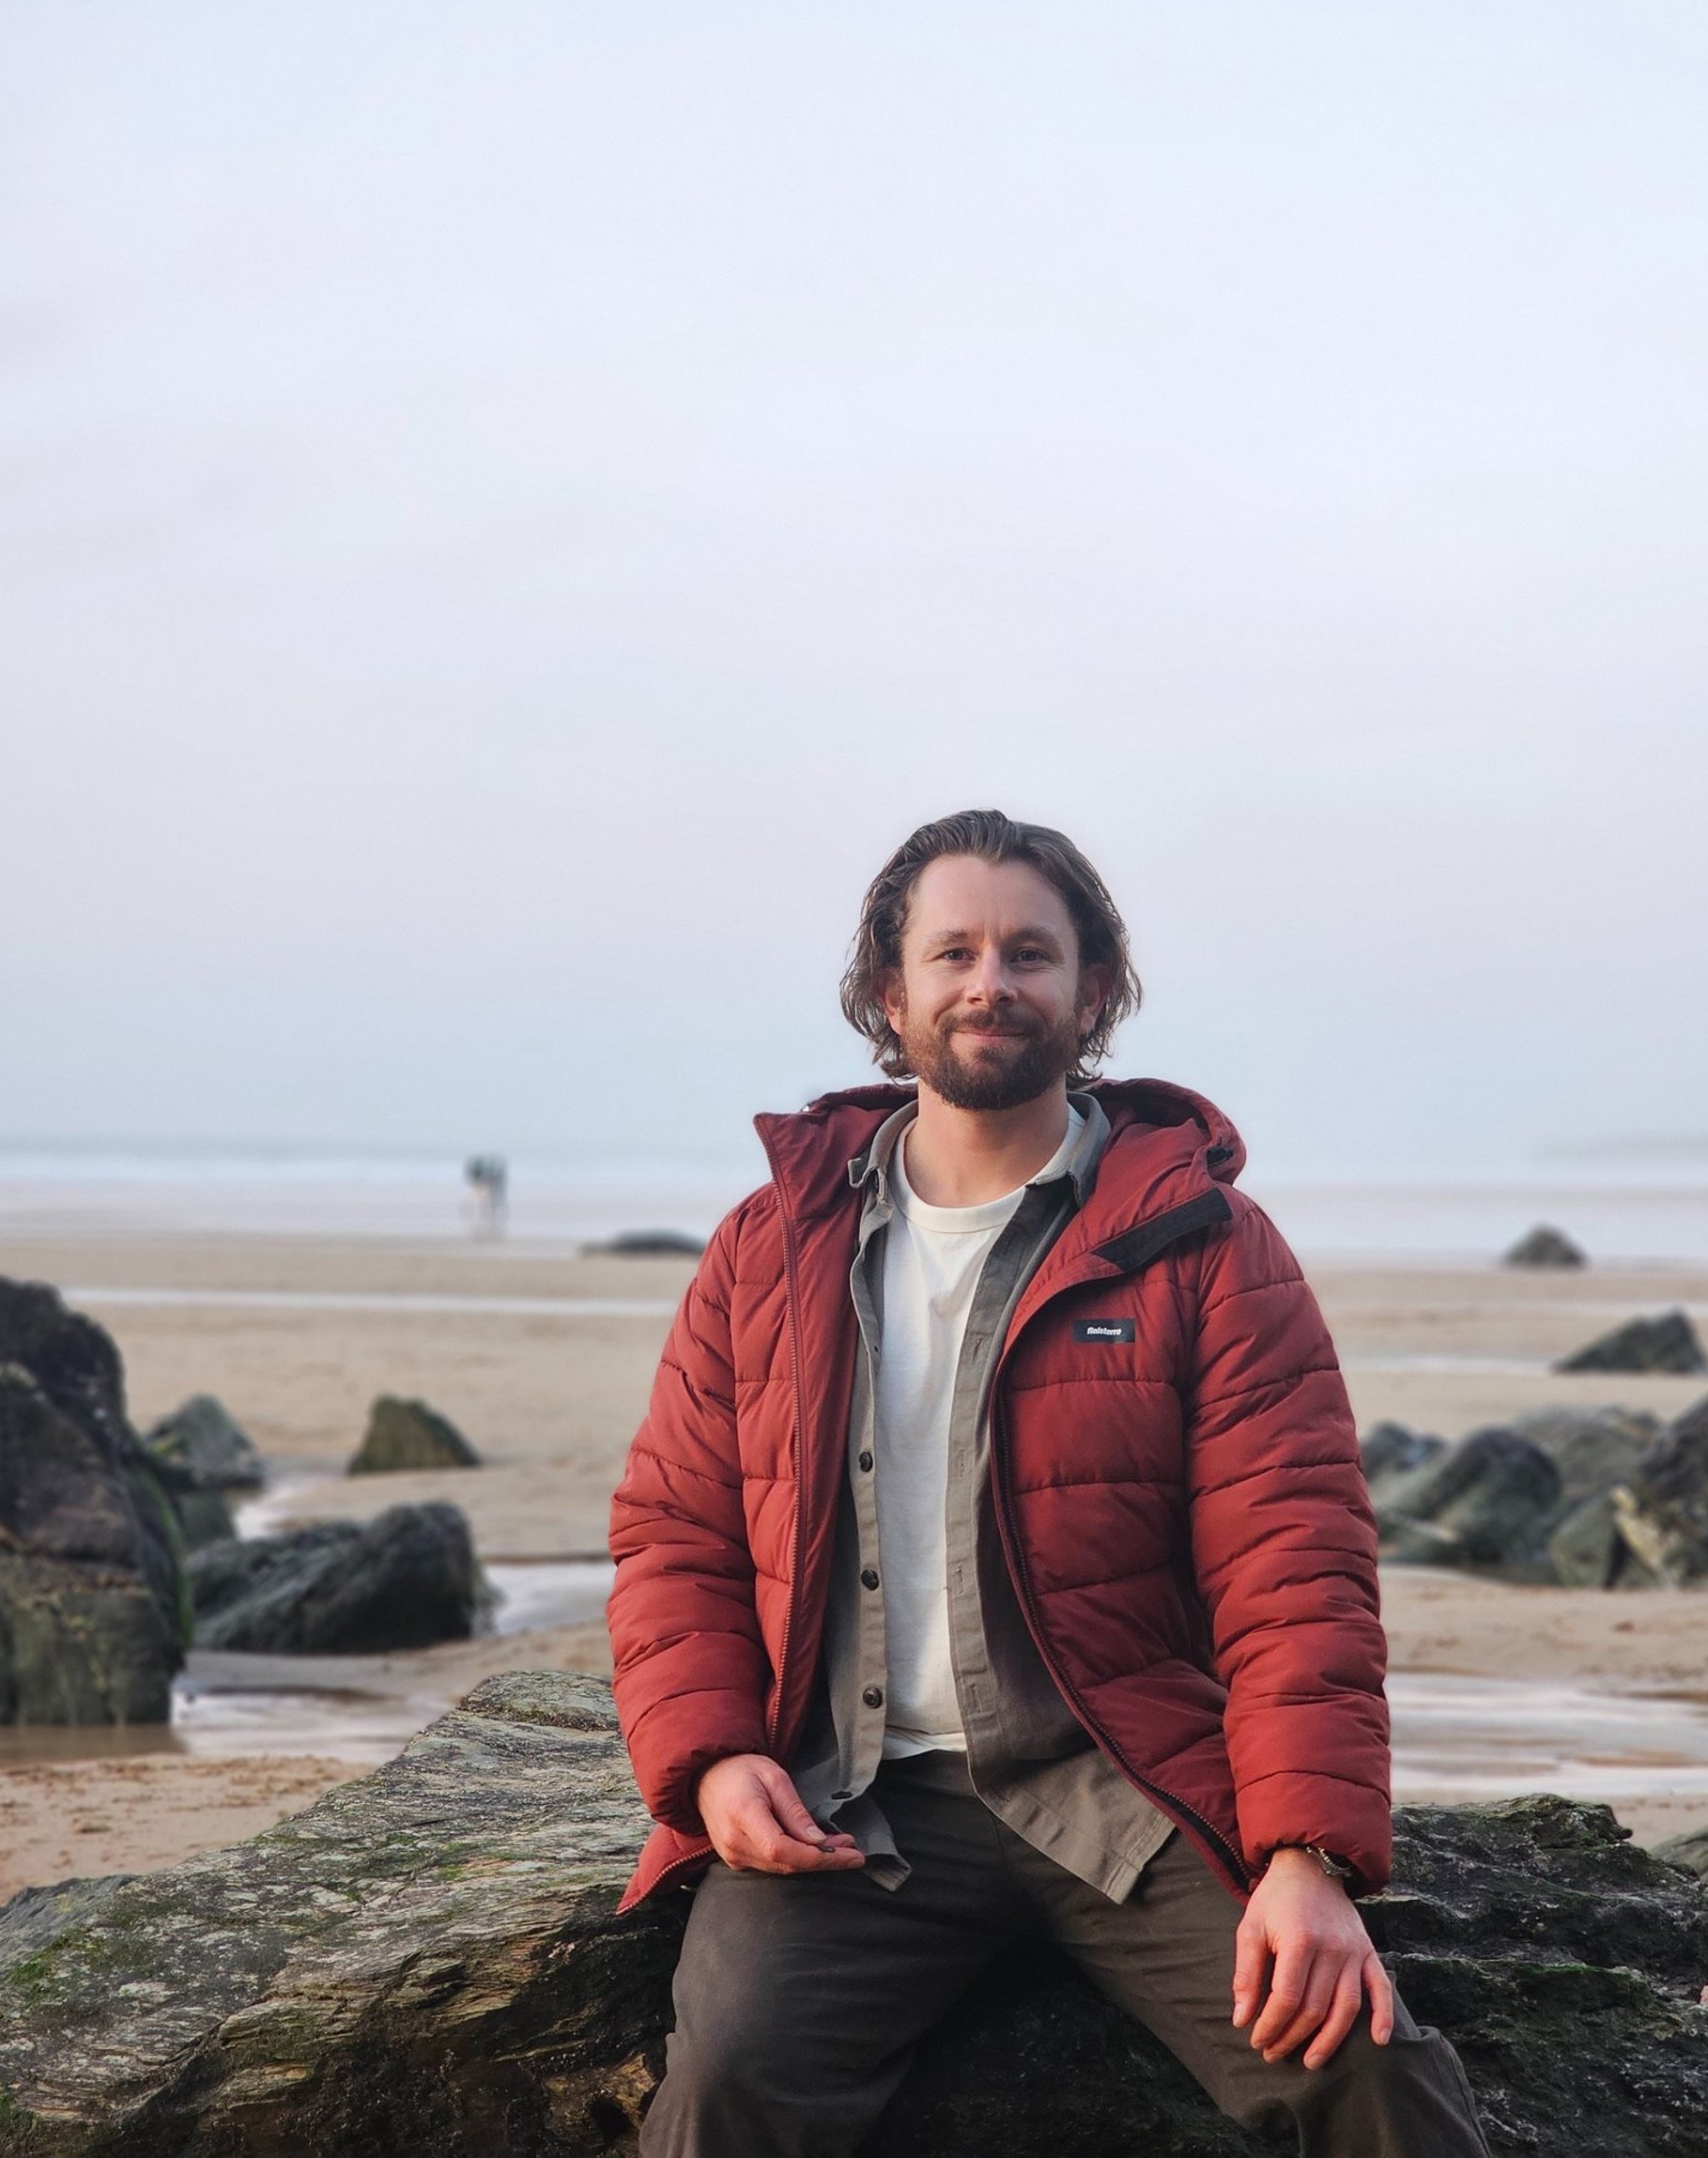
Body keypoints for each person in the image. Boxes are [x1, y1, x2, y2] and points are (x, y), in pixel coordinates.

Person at [608, 809, 1489, 2156]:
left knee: (1361, 2069)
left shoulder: (1204, 1243)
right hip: (856, 1802)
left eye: (1031, 952)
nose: (990, 983)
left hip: (1120, 1783)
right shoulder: (771, 1247)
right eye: (950, 951)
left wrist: (1306, 1860)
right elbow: (678, 1534)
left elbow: (1294, 1566)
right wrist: (717, 1760)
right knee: (726, 2083)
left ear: (1092, 991)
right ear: (886, 993)